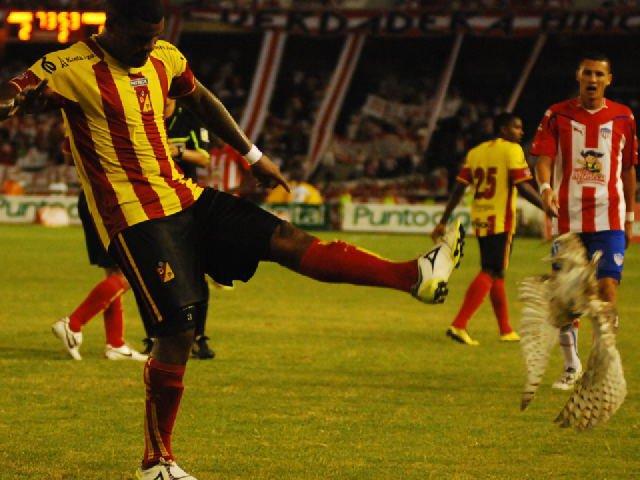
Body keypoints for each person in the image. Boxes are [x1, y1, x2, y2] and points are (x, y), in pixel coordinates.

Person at [0, 1, 464, 478]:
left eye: (153, 37)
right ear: (110, 27)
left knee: (284, 237)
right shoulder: (68, 65)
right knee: (177, 333)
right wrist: (11, 102)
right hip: (137, 218)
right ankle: (156, 462)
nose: (147, 48)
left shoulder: (164, 56)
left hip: (188, 197)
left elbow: (201, 100)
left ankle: (412, 275)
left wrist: (252, 154)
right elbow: (15, 90)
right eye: (139, 38)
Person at [530, 52, 637, 390]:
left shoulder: (624, 117)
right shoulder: (557, 113)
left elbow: (629, 169)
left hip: (610, 219)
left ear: (609, 80)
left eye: (599, 75)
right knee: (566, 299)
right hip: (568, 221)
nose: (593, 80)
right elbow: (543, 158)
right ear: (578, 77)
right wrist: (545, 188)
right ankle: (571, 366)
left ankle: (602, 363)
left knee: (607, 290)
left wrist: (632, 214)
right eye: (587, 73)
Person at [432, 113, 552, 346]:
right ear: (503, 129)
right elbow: (522, 185)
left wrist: (443, 220)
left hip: (480, 218)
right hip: (501, 220)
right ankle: (459, 324)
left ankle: (505, 329)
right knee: (490, 270)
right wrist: (545, 205)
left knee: (497, 272)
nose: (521, 132)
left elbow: (459, 188)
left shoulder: (476, 152)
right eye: (516, 127)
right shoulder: (512, 150)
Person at [51, 140, 147, 361]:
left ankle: (115, 344)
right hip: (111, 198)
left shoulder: (81, 116)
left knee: (115, 273)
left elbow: (67, 152)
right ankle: (73, 323)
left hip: (94, 196)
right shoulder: (110, 116)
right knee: (136, 272)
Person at [164, 97, 215, 359]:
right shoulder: (142, 118)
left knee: (195, 272)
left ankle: (198, 336)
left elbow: (204, 158)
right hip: (153, 204)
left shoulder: (190, 119)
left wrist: (178, 152)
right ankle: (159, 335)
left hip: (185, 203)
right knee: (161, 273)